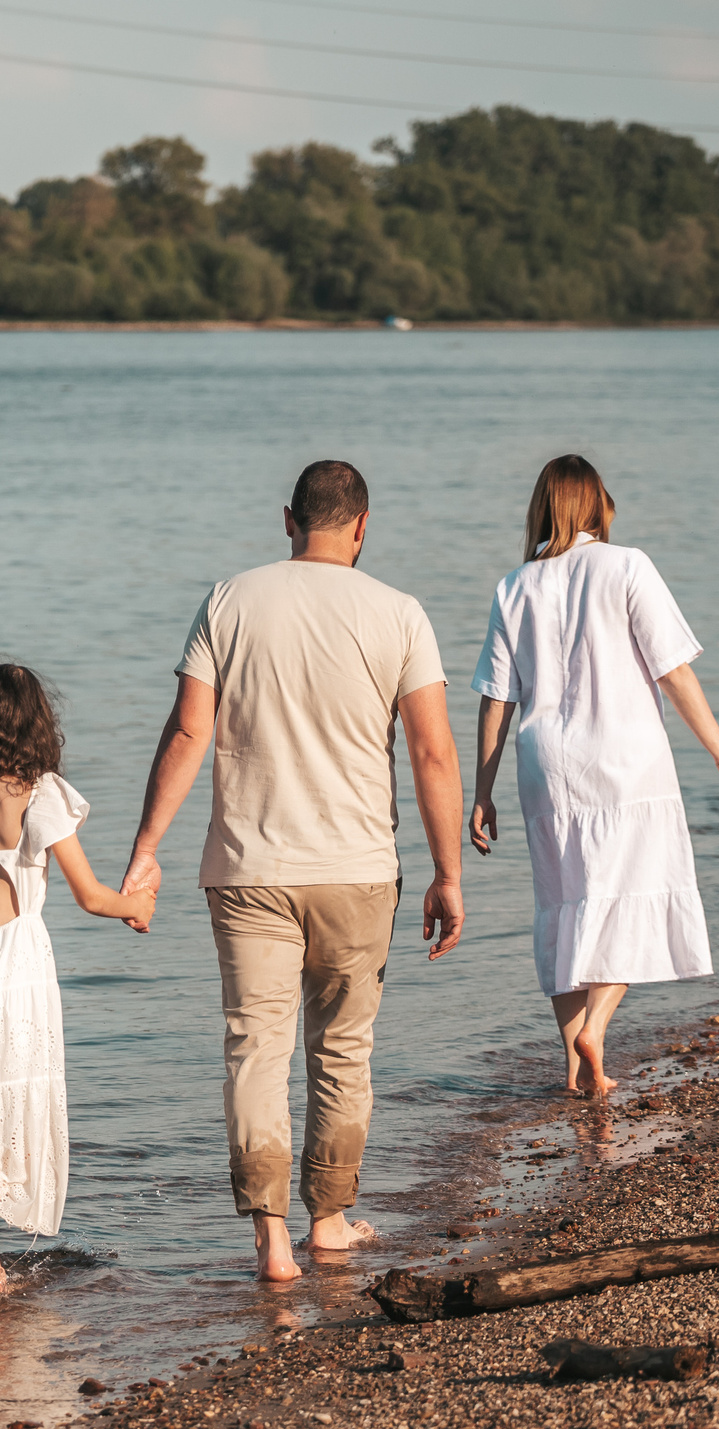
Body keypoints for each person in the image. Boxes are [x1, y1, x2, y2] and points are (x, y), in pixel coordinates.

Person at [121, 461, 464, 1284]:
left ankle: (272, 1243)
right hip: (358, 871)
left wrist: (146, 847)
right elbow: (432, 751)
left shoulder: (229, 600)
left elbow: (188, 732)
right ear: (363, 525)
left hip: (248, 868)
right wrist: (447, 871)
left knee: (255, 1052)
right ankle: (330, 1221)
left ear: (288, 519)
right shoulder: (400, 612)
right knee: (342, 1051)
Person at [469, 454, 719, 1097]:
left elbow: (496, 699)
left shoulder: (515, 585)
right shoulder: (627, 566)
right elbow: (673, 671)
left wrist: (481, 792)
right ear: (599, 505)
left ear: (542, 508)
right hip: (625, 761)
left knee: (564, 907)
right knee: (635, 892)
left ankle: (575, 1075)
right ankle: (595, 1030)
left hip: (545, 765)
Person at [0, 662, 156, 1301]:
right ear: (34, 724)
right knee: (19, 1109)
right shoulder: (40, 795)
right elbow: (90, 895)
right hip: (13, 967)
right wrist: (137, 905)